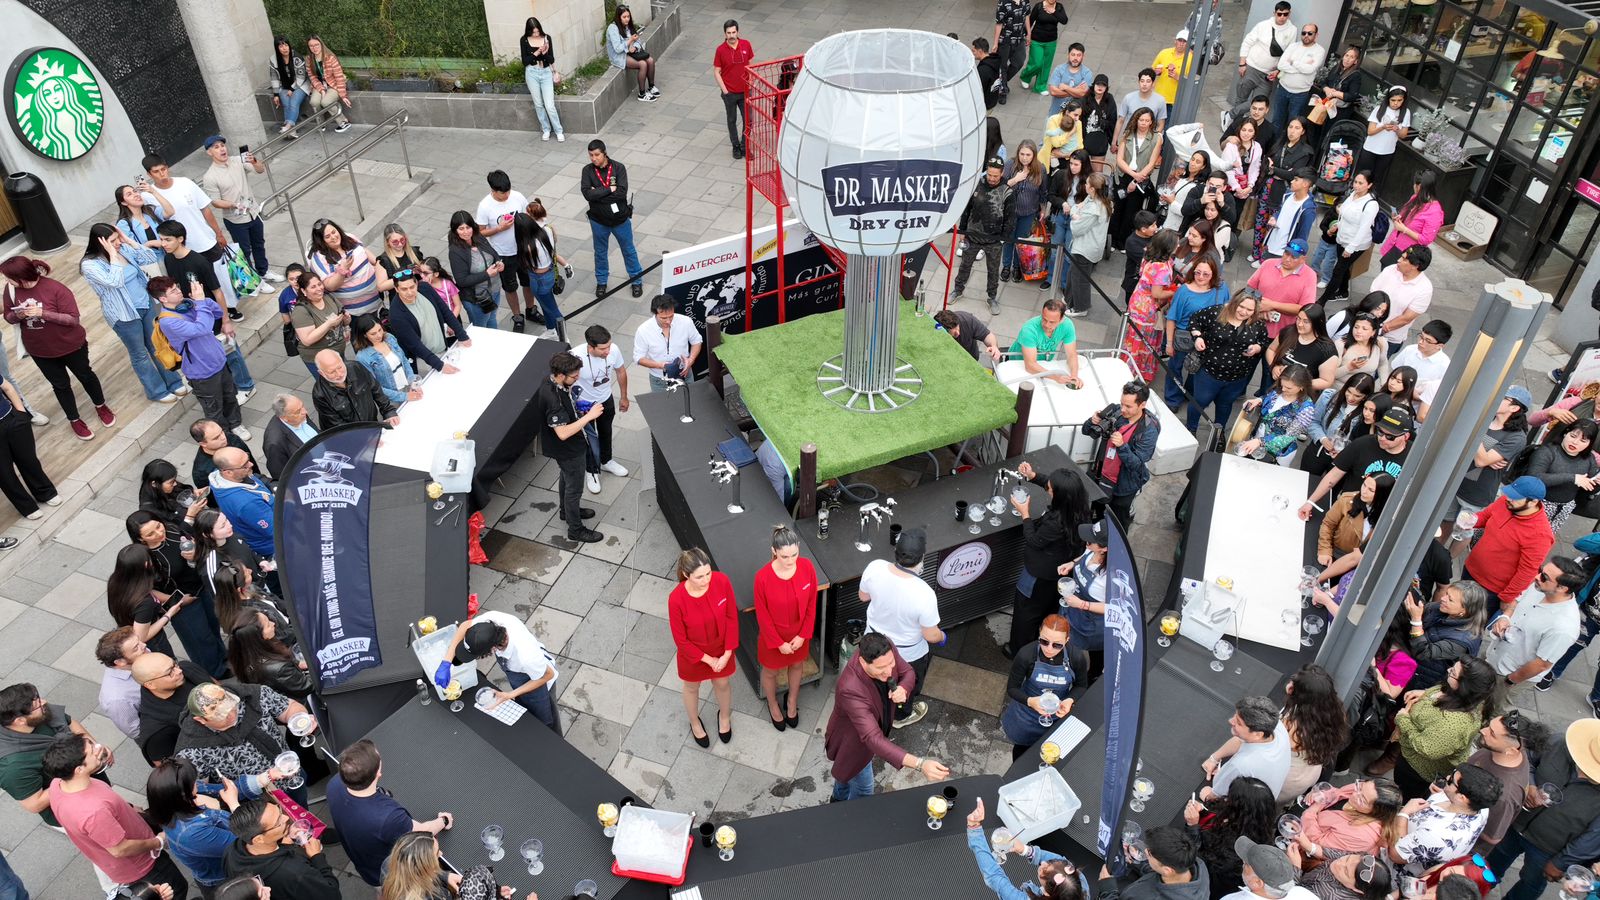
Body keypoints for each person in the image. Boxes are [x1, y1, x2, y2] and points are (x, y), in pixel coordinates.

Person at [43, 733, 189, 898]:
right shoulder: (93, 812)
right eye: (92, 751)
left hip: (132, 848)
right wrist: (158, 842)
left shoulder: (57, 784)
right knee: (177, 890)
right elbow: (120, 849)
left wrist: (129, 808)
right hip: (142, 864)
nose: (98, 749)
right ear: (79, 769)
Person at [824, 633, 950, 801]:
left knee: (846, 776)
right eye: (881, 668)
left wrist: (903, 688)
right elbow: (872, 737)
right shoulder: (849, 688)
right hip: (854, 743)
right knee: (864, 789)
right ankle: (851, 817)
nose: (889, 671)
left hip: (874, 728)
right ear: (862, 662)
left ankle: (837, 800)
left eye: (891, 663)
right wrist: (920, 764)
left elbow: (907, 671)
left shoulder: (886, 649)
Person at [1483, 719, 1600, 900]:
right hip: (1515, 823)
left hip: (1548, 849)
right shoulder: (1559, 743)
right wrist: (1529, 785)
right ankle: (1475, 890)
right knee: (1490, 865)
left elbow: (1593, 838)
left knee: (1529, 885)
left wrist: (1561, 862)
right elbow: (1527, 758)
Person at [0, 257, 114, 441]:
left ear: (20, 276)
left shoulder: (55, 288)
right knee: (60, 385)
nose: (6, 281)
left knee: (85, 375)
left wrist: (42, 313)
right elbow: (9, 317)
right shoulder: (11, 290)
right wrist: (18, 314)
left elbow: (72, 319)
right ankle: (74, 419)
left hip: (71, 345)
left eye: (8, 277)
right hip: (39, 350)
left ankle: (101, 405)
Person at [80, 225, 188, 403]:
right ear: (100, 243)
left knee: (157, 345)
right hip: (124, 315)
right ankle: (157, 391)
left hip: (145, 304)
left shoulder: (124, 249)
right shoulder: (90, 265)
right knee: (140, 354)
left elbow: (150, 256)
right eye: (112, 241)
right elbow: (114, 281)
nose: (117, 243)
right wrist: (113, 256)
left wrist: (129, 241)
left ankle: (174, 381)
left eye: (118, 238)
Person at [326, 740, 452, 886]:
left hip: (362, 862)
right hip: (386, 873)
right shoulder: (388, 818)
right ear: (378, 773)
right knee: (387, 890)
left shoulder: (334, 784)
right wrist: (443, 821)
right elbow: (423, 833)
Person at [174, 682, 313, 807]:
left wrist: (299, 718)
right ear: (201, 720)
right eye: (222, 715)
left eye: (231, 706)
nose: (231, 714)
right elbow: (199, 790)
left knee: (304, 812)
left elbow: (288, 708)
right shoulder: (191, 749)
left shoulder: (254, 695)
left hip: (292, 774)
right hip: (256, 804)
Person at [860, 527, 944, 728]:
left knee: (874, 679)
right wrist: (942, 636)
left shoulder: (875, 567)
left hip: (873, 642)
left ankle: (873, 707)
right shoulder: (924, 593)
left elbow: (863, 597)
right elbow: (930, 635)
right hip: (907, 655)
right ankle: (901, 716)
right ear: (921, 558)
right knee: (906, 687)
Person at [1007, 460, 1092, 655]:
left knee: (1025, 613)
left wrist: (1024, 514)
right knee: (1049, 608)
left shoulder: (1056, 522)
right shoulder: (1080, 504)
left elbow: (1034, 541)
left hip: (1039, 573)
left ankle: (1017, 650)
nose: (1048, 489)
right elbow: (1053, 483)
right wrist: (1033, 476)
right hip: (1061, 571)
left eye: (1051, 489)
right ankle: (1043, 637)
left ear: (1060, 496)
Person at [151, 275, 248, 440]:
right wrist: (201, 303)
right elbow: (201, 328)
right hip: (201, 371)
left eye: (177, 287)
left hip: (218, 361)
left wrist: (201, 301)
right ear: (163, 298)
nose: (179, 291)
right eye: (173, 290)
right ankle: (223, 435)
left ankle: (236, 424)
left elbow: (217, 312)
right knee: (214, 408)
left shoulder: (188, 304)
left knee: (229, 396)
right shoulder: (168, 322)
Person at [140, 152, 235, 317]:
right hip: (182, 250)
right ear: (149, 174)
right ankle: (205, 314)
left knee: (220, 281)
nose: (162, 174)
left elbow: (205, 209)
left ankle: (229, 310)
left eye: (163, 169)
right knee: (194, 285)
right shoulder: (147, 196)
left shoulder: (185, 183)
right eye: (156, 171)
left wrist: (218, 233)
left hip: (205, 241)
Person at [445, 609, 563, 735]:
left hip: (540, 681)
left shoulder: (526, 656)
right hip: (523, 673)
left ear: (493, 648)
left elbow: (547, 675)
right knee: (529, 715)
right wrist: (446, 662)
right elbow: (465, 626)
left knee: (547, 723)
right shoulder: (489, 622)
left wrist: (510, 695)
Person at [1441, 387, 1531, 547]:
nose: (1496, 398)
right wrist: (1485, 453)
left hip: (1477, 492)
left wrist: (1475, 432)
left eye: (1504, 397)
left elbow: (1481, 461)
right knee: (1445, 520)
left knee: (1463, 531)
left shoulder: (1516, 437)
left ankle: (1447, 561)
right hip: (1456, 482)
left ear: (1514, 408)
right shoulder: (1484, 418)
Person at [0, 683, 100, 827]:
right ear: (20, 721)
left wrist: (95, 748)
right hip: (78, 811)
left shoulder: (38, 713)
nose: (44, 702)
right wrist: (74, 776)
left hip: (91, 777)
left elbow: (69, 723)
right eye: (38, 705)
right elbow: (35, 804)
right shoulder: (13, 767)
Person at [1393, 658, 1495, 797]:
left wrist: (1403, 719)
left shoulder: (1453, 723)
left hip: (1418, 770)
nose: (1448, 671)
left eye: (1452, 672)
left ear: (1464, 686)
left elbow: (1426, 748)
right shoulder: (1467, 695)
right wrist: (1426, 694)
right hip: (1410, 755)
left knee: (1406, 793)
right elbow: (1441, 692)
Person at [668, 547, 739, 746]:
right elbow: (681, 640)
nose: (707, 579)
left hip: (721, 648)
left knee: (722, 684)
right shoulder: (676, 599)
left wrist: (726, 654)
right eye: (699, 577)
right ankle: (694, 722)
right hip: (693, 654)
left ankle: (724, 717)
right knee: (691, 688)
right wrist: (709, 660)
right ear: (685, 575)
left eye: (708, 573)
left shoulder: (722, 581)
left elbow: (731, 617)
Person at [536, 351, 604, 543]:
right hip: (568, 449)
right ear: (560, 375)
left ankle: (566, 512)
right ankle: (576, 529)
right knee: (574, 489)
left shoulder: (551, 382)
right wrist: (589, 416)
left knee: (566, 478)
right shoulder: (553, 398)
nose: (577, 379)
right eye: (574, 376)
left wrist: (577, 407)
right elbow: (563, 433)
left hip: (565, 449)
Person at [754, 525, 817, 731]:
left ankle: (792, 702)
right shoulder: (762, 578)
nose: (790, 561)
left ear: (798, 547)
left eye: (794, 555)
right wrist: (778, 643)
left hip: (799, 634)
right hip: (774, 638)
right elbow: (762, 616)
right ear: (774, 551)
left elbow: (811, 605)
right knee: (770, 671)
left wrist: (803, 635)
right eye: (784, 556)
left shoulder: (807, 567)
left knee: (797, 665)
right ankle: (773, 704)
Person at [145, 757, 239, 895]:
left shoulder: (171, 803)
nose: (197, 783)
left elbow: (219, 788)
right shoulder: (191, 833)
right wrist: (233, 804)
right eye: (194, 781)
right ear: (183, 793)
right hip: (226, 880)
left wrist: (266, 777)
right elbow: (244, 842)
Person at [1298, 405, 1414, 518]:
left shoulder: (1413, 456)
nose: (1382, 438)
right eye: (1380, 431)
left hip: (1381, 516)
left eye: (1390, 436)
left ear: (1405, 436)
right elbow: (1334, 475)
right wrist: (1310, 502)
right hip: (1349, 510)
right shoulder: (1362, 444)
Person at [1485, 556, 1582, 688]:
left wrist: (1510, 681)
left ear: (1562, 588)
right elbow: (1518, 599)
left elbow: (1542, 664)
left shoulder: (1564, 627)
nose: (1537, 577)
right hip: (1493, 655)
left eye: (1544, 577)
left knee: (1493, 707)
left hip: (1509, 674)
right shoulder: (1540, 587)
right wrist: (1506, 617)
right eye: (1541, 571)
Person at [1001, 614, 1087, 759]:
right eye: (1044, 641)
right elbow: (1012, 688)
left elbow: (1081, 685)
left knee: (1051, 754)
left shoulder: (1075, 657)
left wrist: (1070, 700)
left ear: (1067, 640)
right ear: (1039, 633)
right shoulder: (1026, 654)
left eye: (1057, 645)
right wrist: (1030, 701)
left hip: (1057, 715)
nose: (1049, 649)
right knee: (1021, 753)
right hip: (1025, 716)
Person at [966, 797, 1086, 900]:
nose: (1043, 863)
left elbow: (994, 877)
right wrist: (1025, 850)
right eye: (1051, 862)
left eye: (1044, 870)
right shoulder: (1078, 883)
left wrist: (974, 828)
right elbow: (1059, 860)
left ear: (1046, 893)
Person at [1462, 477, 1555, 609]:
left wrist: (1506, 597)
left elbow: (1527, 572)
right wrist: (1469, 521)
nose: (1509, 499)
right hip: (1470, 569)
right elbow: (1485, 516)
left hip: (1490, 591)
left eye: (1516, 497)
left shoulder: (1540, 535)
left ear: (1533, 502)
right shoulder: (1506, 502)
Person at [222, 795, 339, 899]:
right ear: (259, 839)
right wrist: (317, 857)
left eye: (279, 810)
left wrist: (284, 843)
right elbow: (332, 894)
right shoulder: (296, 873)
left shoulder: (231, 851)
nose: (286, 818)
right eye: (278, 822)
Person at [1391, 765, 1498, 876]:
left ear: (1462, 797)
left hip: (1398, 868)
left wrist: (1404, 814)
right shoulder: (1481, 807)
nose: (1447, 778)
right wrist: (1439, 794)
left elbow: (1395, 855)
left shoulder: (1437, 835)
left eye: (1451, 781)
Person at [1186, 291, 1269, 435]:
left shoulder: (1258, 324)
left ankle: (1218, 434)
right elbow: (1195, 320)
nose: (1244, 312)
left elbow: (1263, 341)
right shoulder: (1217, 312)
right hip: (1209, 373)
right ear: (1234, 303)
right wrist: (1198, 337)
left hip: (1237, 378)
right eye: (1241, 306)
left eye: (1249, 310)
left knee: (1225, 406)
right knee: (1199, 403)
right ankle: (1190, 429)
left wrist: (1257, 348)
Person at [1180, 776, 1276, 900]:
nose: (1226, 799)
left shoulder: (1237, 851)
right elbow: (1220, 812)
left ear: (1238, 809)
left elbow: (1196, 861)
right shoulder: (1256, 824)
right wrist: (1203, 810)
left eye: (1230, 798)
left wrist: (1192, 826)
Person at [199, 136, 275, 289]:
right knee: (244, 251)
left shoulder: (237, 160)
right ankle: (255, 282)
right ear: (209, 152)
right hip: (235, 219)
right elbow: (215, 201)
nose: (222, 149)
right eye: (216, 147)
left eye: (222, 145)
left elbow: (260, 170)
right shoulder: (210, 176)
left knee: (259, 244)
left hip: (253, 212)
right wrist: (234, 205)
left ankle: (263, 271)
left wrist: (254, 161)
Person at [1085, 382, 1160, 523]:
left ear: (1142, 405)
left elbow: (1137, 464)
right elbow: (1087, 432)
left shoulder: (1149, 430)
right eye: (1122, 404)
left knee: (1118, 521)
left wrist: (1122, 446)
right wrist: (1092, 421)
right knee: (1097, 512)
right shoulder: (1116, 411)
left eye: (1128, 406)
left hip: (1124, 485)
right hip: (1101, 474)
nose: (1123, 409)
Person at [1276, 665, 1349, 805]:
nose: (1290, 683)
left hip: (1287, 781)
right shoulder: (1333, 711)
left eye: (1294, 682)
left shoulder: (1292, 728)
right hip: (1310, 770)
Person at [1467, 713, 1542, 848]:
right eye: (1489, 727)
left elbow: (1493, 837)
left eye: (1492, 734)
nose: (1482, 731)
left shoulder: (1505, 795)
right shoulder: (1511, 750)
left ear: (1511, 751)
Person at [582, 140, 646, 299]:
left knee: (628, 250)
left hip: (620, 220)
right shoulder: (587, 171)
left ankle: (636, 280)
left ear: (604, 153)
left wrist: (597, 193)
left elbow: (621, 194)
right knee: (600, 253)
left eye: (597, 155)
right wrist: (609, 189)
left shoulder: (618, 168)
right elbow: (587, 195)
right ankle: (601, 282)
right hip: (598, 221)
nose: (593, 158)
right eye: (591, 155)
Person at [572, 324, 631, 494]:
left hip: (605, 399)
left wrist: (624, 397)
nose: (608, 351)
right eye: (603, 348)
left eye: (609, 346)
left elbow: (620, 371)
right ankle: (591, 471)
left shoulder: (614, 350)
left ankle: (606, 461)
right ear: (590, 347)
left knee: (606, 431)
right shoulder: (576, 356)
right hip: (585, 404)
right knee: (589, 439)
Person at [953, 158, 1015, 315]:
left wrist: (1002, 238)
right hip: (972, 236)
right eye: (990, 174)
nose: (992, 178)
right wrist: (962, 232)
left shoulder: (1007, 192)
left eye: (996, 175)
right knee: (965, 265)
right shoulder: (976, 185)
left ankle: (992, 297)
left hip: (994, 240)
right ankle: (957, 290)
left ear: (1002, 173)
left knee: (993, 270)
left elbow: (1010, 219)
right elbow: (966, 210)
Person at [1166, 256, 1229, 408]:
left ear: (1214, 274)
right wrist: (1169, 343)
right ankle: (1173, 399)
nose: (1201, 277)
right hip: (1184, 336)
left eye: (1206, 274)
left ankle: (1188, 391)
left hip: (1208, 338)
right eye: (1197, 273)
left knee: (1199, 367)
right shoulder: (1184, 291)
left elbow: (1227, 310)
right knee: (1176, 367)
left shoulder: (1221, 289)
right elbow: (1172, 318)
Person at [132, 652, 216, 765]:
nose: (179, 671)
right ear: (150, 685)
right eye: (170, 672)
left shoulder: (186, 668)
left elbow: (217, 687)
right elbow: (172, 770)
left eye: (174, 664)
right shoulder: (157, 734)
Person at [1203, 696, 1293, 800]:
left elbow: (1216, 796)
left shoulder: (1241, 765)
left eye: (1238, 722)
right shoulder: (1276, 727)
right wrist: (1214, 758)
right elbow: (1240, 740)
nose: (1231, 721)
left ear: (1258, 734)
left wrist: (1207, 796)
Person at [1404, 580, 1488, 691]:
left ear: (1464, 610)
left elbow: (1424, 652)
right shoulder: (1440, 608)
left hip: (1423, 678)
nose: (1443, 598)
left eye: (1450, 599)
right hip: (1410, 663)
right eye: (1447, 594)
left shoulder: (1462, 642)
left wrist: (1416, 620)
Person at [474, 171, 530, 331]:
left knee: (528, 282)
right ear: (493, 190)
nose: (506, 196)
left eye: (508, 192)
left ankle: (531, 308)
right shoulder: (485, 206)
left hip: (522, 249)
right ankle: (517, 316)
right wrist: (499, 228)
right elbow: (480, 232)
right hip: (503, 253)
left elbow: (528, 215)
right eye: (502, 194)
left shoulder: (517, 196)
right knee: (510, 286)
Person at [1095, 825, 1211, 900]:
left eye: (1149, 853)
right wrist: (1138, 861)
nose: (1145, 851)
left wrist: (1108, 891)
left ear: (1167, 870)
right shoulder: (1197, 863)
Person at [1315, 172, 1380, 304]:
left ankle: (1321, 302)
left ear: (1370, 185)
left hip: (1355, 244)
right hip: (1342, 238)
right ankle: (1343, 291)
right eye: (1355, 182)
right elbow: (1344, 213)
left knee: (1338, 270)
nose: (1356, 185)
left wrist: (1351, 248)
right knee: (1343, 268)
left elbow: (1364, 229)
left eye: (1361, 183)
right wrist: (1338, 225)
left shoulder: (1371, 205)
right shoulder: (1352, 195)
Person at [387, 269, 468, 374]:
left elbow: (445, 311)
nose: (410, 292)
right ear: (396, 289)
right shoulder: (396, 314)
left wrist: (462, 335)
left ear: (417, 283)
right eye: (404, 289)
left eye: (412, 287)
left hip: (443, 347)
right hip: (425, 360)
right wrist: (439, 365)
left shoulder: (425, 288)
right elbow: (415, 345)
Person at [1526, 419, 1600, 534]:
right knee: (1524, 536)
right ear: (1565, 433)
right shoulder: (1547, 452)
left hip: (1563, 509)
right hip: (1535, 505)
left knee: (1544, 540)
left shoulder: (1589, 459)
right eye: (1573, 436)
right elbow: (1534, 477)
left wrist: (1596, 483)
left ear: (1589, 443)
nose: (1575, 442)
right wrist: (1573, 477)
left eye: (1583, 440)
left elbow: (1588, 489)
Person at [307, 217, 390, 317]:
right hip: (354, 313)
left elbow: (363, 251)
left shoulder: (348, 237)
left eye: (334, 232)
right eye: (327, 236)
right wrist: (342, 271)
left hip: (376, 301)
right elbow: (329, 286)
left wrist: (378, 263)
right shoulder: (318, 258)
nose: (333, 237)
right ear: (321, 241)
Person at [1057, 519, 1110, 677]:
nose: (1086, 543)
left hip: (1092, 623)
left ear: (1104, 549)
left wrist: (1082, 604)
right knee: (1067, 644)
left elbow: (1114, 608)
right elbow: (1084, 556)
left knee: (1096, 655)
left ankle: (1092, 677)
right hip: (1072, 610)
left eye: (1091, 541)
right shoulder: (1091, 550)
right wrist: (1072, 563)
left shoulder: (1110, 576)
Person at [1298, 779, 1404, 857]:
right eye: (1360, 787)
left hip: (1303, 842)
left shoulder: (1362, 836)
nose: (1354, 794)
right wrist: (1322, 795)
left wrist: (1311, 811)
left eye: (1362, 799)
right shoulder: (1365, 790)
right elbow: (1337, 792)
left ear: (1376, 813)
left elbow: (1318, 843)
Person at [1125, 226, 1177, 382]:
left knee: (1134, 338)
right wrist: (1175, 292)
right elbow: (1157, 293)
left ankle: (1128, 365)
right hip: (1148, 308)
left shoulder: (1150, 254)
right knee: (1144, 340)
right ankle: (1140, 371)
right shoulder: (1162, 268)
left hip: (1138, 300)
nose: (1178, 245)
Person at [0, 374, 55, 520]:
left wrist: (21, 413)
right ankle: (27, 507)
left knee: (29, 459)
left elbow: (7, 387)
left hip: (11, 419)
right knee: (4, 473)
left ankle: (46, 492)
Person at [1238, 365, 1316, 465]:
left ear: (1302, 387)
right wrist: (1259, 400)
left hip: (1276, 454)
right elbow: (1269, 398)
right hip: (1256, 441)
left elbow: (1289, 436)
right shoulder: (1279, 390)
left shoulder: (1306, 409)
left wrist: (1260, 442)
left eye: (1288, 388)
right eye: (1282, 384)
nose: (1283, 389)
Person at [1304, 374, 1377, 476]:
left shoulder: (1366, 412)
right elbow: (1313, 421)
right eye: (1349, 392)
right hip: (1318, 451)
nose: (1351, 398)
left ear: (1366, 396)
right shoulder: (1329, 397)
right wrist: (1323, 439)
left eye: (1357, 396)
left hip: (1342, 460)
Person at [1110, 108, 1162, 251]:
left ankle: (1123, 242)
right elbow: (1119, 159)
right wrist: (1133, 175)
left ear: (1151, 122)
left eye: (1147, 120)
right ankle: (1112, 240)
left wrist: (1138, 178)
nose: (1144, 123)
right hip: (1123, 175)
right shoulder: (1128, 135)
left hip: (1141, 177)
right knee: (1118, 208)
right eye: (1141, 120)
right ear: (1136, 120)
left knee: (1132, 211)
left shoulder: (1157, 138)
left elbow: (1152, 162)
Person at [209, 447, 274, 557]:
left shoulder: (220, 475)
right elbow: (276, 529)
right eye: (244, 465)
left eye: (248, 458)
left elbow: (255, 478)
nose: (251, 464)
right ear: (228, 472)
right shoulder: (247, 504)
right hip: (273, 544)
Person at [1317, 474, 1396, 565]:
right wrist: (1324, 550)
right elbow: (1328, 524)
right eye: (1364, 485)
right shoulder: (1347, 500)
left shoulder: (1389, 515)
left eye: (1371, 490)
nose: (1364, 491)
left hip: (1363, 564)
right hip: (1337, 556)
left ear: (1383, 494)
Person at [312, 349, 400, 429]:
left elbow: (376, 389)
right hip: (350, 435)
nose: (339, 374)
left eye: (340, 367)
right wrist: (364, 437)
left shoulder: (356, 367)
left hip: (372, 422)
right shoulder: (320, 394)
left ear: (343, 362)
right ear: (321, 373)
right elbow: (337, 425)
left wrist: (388, 412)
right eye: (332, 372)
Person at [446, 211, 504, 330]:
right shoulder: (455, 252)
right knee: (480, 328)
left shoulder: (478, 237)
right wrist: (486, 274)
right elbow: (462, 281)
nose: (466, 232)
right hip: (477, 299)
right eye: (461, 228)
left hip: (494, 290)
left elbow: (493, 253)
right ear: (455, 230)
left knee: (492, 319)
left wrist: (499, 262)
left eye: (468, 227)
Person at [1065, 174, 1112, 317]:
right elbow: (1080, 207)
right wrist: (1078, 210)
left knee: (1080, 279)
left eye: (1086, 184)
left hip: (1085, 248)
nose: (1084, 185)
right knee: (1074, 275)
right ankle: (1070, 300)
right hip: (1089, 246)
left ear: (1092, 189)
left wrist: (1074, 213)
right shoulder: (1099, 201)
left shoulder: (1094, 208)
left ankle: (1080, 307)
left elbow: (1077, 228)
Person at [1001, 142, 1048, 283]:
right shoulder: (1010, 164)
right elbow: (1001, 186)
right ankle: (1006, 266)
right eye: (1022, 154)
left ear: (1033, 155)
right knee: (1009, 239)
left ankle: (1017, 267)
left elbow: (1043, 191)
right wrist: (1016, 179)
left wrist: (1043, 209)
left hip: (1028, 211)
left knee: (1021, 241)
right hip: (1011, 211)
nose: (1024, 158)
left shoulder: (1040, 169)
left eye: (1028, 155)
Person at [1233, 2, 1295, 108]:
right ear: (1274, 13)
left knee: (1260, 104)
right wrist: (1242, 64)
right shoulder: (1263, 25)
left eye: (1285, 14)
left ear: (1289, 14)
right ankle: (1235, 122)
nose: (1282, 17)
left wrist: (1278, 71)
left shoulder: (1292, 30)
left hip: (1268, 74)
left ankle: (1230, 116)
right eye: (1279, 14)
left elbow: (1289, 54)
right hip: (1251, 68)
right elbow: (1247, 42)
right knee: (1241, 99)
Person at [511, 213, 563, 338]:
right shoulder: (546, 231)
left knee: (552, 308)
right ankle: (551, 329)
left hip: (538, 278)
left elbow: (527, 264)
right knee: (546, 304)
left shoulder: (528, 246)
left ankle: (562, 335)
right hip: (549, 273)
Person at [633, 295, 702, 389]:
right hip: (659, 380)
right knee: (663, 404)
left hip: (685, 374)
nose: (668, 321)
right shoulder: (643, 330)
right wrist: (661, 365)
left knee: (689, 402)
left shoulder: (685, 321)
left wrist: (691, 359)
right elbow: (639, 358)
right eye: (664, 318)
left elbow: (697, 341)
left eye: (671, 316)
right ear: (655, 313)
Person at [1011, 297, 1083, 387]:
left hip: (1043, 364)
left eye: (1052, 322)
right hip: (1017, 364)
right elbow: (1030, 366)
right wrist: (1056, 377)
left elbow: (1071, 354)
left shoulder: (1067, 325)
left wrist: (1074, 376)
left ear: (1061, 320)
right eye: (1044, 319)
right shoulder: (1029, 329)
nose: (1046, 325)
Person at [287, 271, 348, 375]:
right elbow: (307, 340)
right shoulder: (301, 311)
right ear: (304, 291)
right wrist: (328, 324)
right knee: (332, 386)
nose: (319, 288)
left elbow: (345, 322)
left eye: (319, 284)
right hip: (318, 358)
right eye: (313, 287)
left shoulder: (329, 298)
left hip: (338, 352)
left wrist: (346, 319)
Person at [1379, 173, 1443, 270]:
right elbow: (1404, 215)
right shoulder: (1415, 198)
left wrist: (1404, 229)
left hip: (1406, 252)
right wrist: (1397, 218)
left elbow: (1426, 239)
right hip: (1393, 243)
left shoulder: (1435, 212)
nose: (1413, 186)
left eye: (1414, 184)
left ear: (1419, 186)